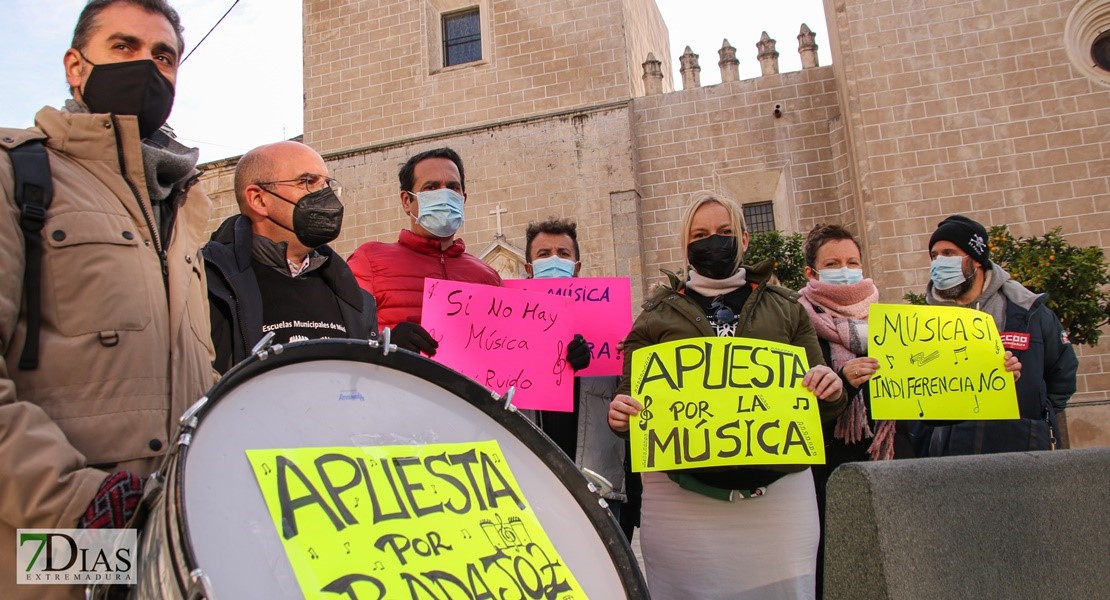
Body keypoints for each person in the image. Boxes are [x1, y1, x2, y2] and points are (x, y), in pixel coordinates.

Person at [0, 1, 211, 596]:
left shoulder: (183, 207)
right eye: (125, 47)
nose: (147, 66)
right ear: (75, 65)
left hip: (166, 550)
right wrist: (81, 506)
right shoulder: (17, 171)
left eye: (163, 56)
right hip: (52, 540)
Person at [608, 192, 847, 598]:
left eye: (723, 232)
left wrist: (831, 388)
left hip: (779, 501)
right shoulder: (654, 316)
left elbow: (822, 402)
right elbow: (631, 404)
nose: (712, 241)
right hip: (683, 506)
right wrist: (622, 415)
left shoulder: (787, 308)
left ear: (745, 239)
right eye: (700, 234)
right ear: (686, 245)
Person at [204, 141, 424, 372]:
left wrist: (381, 357)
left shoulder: (349, 293)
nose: (324, 194)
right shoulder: (209, 284)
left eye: (327, 183)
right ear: (259, 199)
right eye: (307, 182)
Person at [796, 223, 917, 598]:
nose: (845, 269)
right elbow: (794, 404)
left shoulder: (891, 322)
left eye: (852, 261)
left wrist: (996, 371)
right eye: (833, 262)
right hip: (829, 472)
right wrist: (842, 381)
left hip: (892, 464)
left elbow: (929, 394)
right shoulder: (798, 323)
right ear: (811, 273)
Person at [919, 214, 1077, 455]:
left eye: (948, 253)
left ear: (977, 260)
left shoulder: (1030, 313)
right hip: (951, 460)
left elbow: (1062, 374)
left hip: (1024, 457)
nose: (938, 262)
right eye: (934, 255)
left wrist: (1033, 424)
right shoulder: (922, 322)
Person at [523, 217, 623, 518]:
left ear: (577, 266)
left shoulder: (610, 320)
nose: (554, 260)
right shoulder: (509, 327)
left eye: (563, 254)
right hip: (531, 482)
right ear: (528, 269)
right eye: (543, 254)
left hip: (598, 482)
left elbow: (624, 397)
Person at [347, 147, 500, 341]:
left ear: (463, 199)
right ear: (406, 201)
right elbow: (344, 332)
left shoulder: (488, 277)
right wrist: (385, 342)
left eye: (453, 187)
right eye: (431, 187)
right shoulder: (369, 261)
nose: (444, 196)